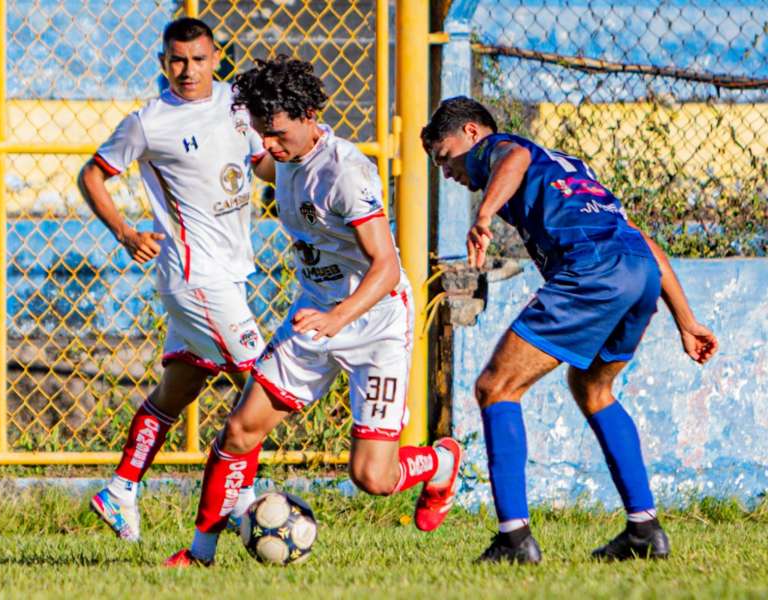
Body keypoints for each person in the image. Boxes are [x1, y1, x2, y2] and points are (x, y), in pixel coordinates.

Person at [164, 56, 463, 567]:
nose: (270, 147)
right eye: (263, 134)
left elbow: (387, 267)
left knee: (372, 477)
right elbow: (253, 161)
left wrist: (339, 318)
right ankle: (200, 554)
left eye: (277, 134)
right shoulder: (279, 154)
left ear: (309, 115)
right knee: (240, 430)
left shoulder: (346, 173)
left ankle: (440, 463)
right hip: (316, 314)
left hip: (375, 321)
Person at [421, 96, 718, 564]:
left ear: (473, 133)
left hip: (594, 270)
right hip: (637, 270)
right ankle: (644, 529)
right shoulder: (572, 171)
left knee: (494, 387)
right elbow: (641, 241)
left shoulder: (501, 149)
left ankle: (514, 540)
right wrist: (687, 320)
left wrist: (482, 217)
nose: (447, 171)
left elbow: (514, 156)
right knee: (593, 388)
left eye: (444, 156)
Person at [78, 17, 270, 541]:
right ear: (164, 63)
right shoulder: (149, 122)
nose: (188, 71)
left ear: (215, 58)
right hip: (195, 278)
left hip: (229, 275)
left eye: (198, 59)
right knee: (263, 384)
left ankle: (119, 490)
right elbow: (90, 174)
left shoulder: (237, 103)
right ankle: (245, 502)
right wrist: (123, 230)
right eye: (177, 61)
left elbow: (262, 165)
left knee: (177, 389)